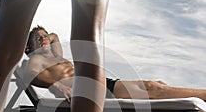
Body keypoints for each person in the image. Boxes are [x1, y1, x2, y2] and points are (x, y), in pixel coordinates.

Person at [23, 25, 206, 102]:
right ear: (28, 49)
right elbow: (29, 74)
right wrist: (57, 86)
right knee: (153, 87)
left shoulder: (56, 57)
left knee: (158, 84)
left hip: (99, 84)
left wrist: (41, 32)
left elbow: (54, 36)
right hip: (89, 91)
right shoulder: (36, 59)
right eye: (38, 39)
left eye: (44, 37)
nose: (44, 39)